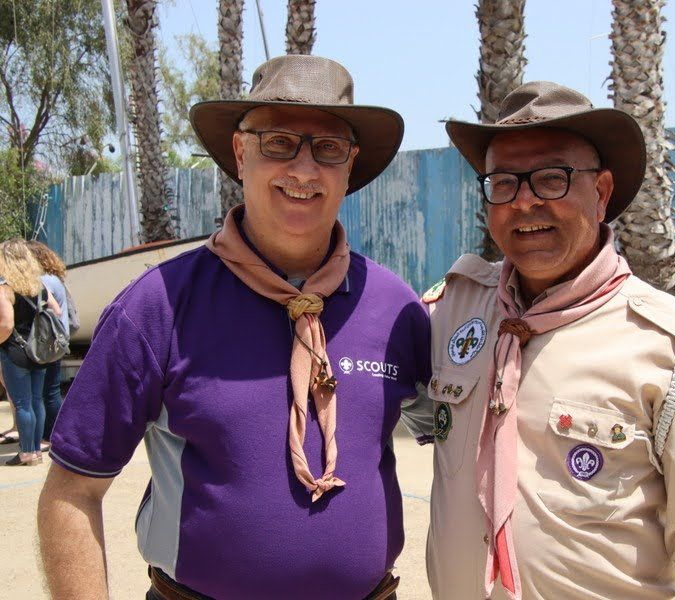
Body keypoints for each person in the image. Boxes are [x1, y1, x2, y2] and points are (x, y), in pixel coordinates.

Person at [38, 55, 432, 600]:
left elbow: (459, 438)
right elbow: (72, 491)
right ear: (241, 153)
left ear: (350, 166)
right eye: (279, 143)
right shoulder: (157, 307)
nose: (303, 170)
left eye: (328, 148)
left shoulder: (395, 308)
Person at [424, 81, 675, 599]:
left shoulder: (673, 347)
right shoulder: (454, 309)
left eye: (551, 179)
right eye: (504, 183)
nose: (525, 201)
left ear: (601, 193)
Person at [0, 239, 62, 466]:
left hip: (14, 352)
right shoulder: (39, 286)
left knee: (22, 404)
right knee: (37, 401)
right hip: (38, 350)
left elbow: (6, 324)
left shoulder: (5, 288)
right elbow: (56, 311)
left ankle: (26, 452)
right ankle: (36, 451)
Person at [26, 240, 69, 441]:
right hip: (58, 339)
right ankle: (55, 432)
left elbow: (50, 310)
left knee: (47, 392)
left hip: (48, 341)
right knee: (51, 390)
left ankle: (52, 433)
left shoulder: (43, 281)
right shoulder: (55, 278)